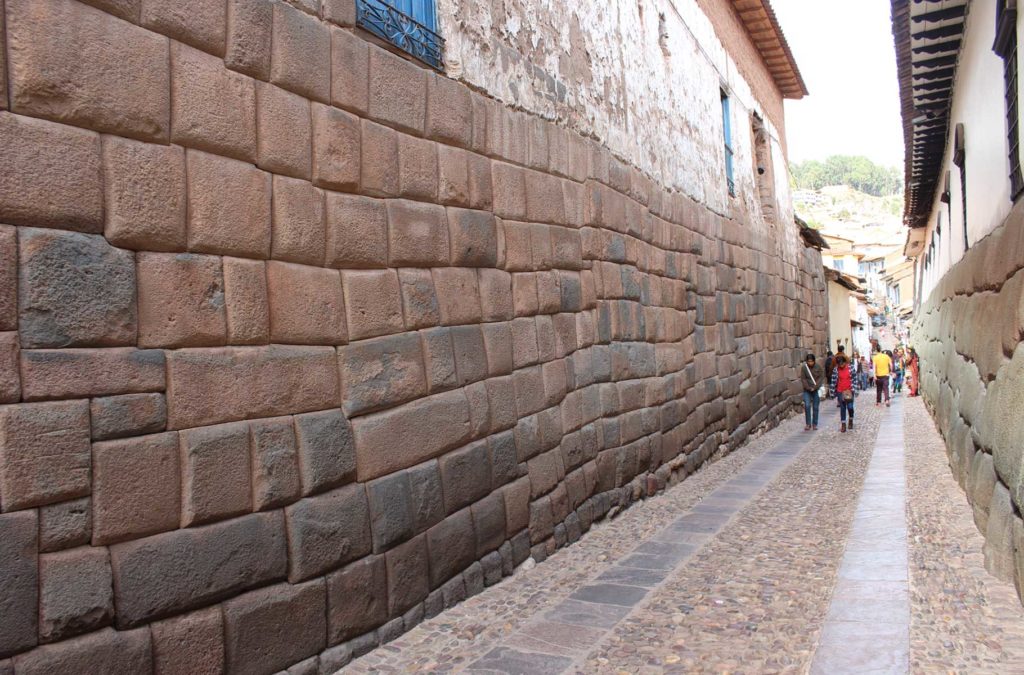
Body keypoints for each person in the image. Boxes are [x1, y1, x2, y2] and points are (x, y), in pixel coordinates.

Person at [830, 352, 856, 432]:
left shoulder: (850, 368)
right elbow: (833, 380)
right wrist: (832, 391)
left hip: (849, 390)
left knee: (850, 407)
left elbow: (855, 379)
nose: (841, 365)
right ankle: (843, 424)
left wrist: (854, 389)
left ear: (845, 362)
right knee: (843, 408)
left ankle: (851, 419)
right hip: (840, 391)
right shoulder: (836, 369)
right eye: (839, 364)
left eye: (842, 364)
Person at [800, 353, 825, 431]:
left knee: (815, 407)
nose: (810, 363)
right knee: (807, 406)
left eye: (811, 361)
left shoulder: (818, 367)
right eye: (808, 361)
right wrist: (808, 387)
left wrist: (815, 387)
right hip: (807, 390)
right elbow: (803, 379)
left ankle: (814, 424)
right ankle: (808, 424)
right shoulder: (804, 368)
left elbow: (821, 378)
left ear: (814, 361)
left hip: (816, 390)